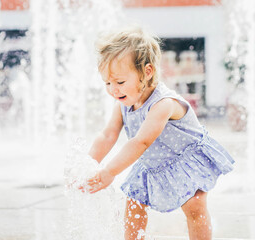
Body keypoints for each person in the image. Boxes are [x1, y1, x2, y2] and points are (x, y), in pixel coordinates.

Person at [82, 26, 234, 240]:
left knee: (195, 207)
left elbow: (141, 142)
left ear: (147, 72)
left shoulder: (164, 104)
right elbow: (108, 135)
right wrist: (88, 164)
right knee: (134, 205)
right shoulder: (124, 103)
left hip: (184, 159)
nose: (113, 90)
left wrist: (109, 172)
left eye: (120, 82)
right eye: (107, 83)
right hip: (152, 162)